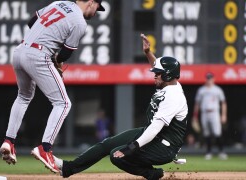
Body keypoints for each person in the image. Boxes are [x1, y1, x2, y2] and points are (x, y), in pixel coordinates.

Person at [40, 34, 188, 180]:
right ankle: (67, 168)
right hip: (155, 135)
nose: (154, 76)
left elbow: (156, 127)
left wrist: (131, 147)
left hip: (165, 146)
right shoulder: (170, 83)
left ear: (168, 76)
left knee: (117, 155)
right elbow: (160, 69)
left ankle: (153, 175)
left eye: (158, 74)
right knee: (107, 144)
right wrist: (148, 53)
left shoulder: (174, 97)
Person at [0, 0, 105, 172]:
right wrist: (57, 63)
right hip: (39, 54)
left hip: (20, 51)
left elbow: (31, 22)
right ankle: (45, 148)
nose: (96, 12)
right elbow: (65, 53)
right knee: (63, 103)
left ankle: (9, 141)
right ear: (91, 2)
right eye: (97, 8)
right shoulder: (79, 21)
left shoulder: (59, 3)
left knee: (23, 96)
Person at [192, 72, 228, 160]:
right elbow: (197, 104)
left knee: (217, 132)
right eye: (208, 78)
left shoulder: (217, 90)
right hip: (204, 113)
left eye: (210, 78)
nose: (209, 80)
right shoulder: (201, 90)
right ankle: (208, 152)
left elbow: (223, 103)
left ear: (213, 79)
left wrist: (223, 115)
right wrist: (195, 116)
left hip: (214, 112)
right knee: (206, 133)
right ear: (206, 79)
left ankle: (222, 151)